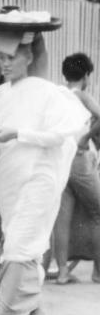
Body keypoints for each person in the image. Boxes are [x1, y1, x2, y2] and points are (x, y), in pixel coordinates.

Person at [0, 32, 89, 315]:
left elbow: (59, 135)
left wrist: (18, 133)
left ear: (29, 57)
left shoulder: (49, 93)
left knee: (18, 245)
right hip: (9, 181)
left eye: (12, 57)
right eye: (2, 58)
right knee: (27, 247)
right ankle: (35, 312)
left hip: (41, 178)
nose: (5, 64)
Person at [51, 53, 100, 284]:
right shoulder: (82, 95)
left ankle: (62, 272)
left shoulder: (57, 95)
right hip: (80, 159)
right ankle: (98, 272)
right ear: (86, 75)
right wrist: (86, 137)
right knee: (98, 213)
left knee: (62, 217)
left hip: (61, 159)